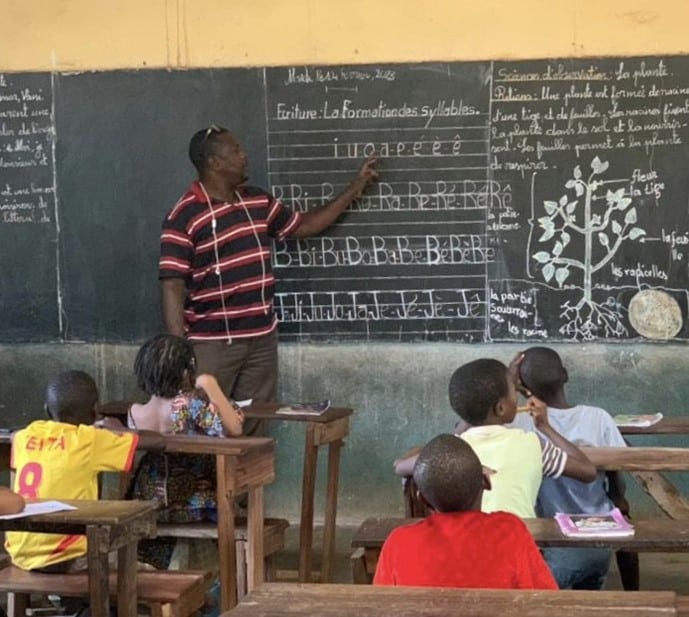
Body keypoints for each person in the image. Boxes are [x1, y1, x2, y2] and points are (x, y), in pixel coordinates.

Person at [159, 126, 378, 433]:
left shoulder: (257, 201)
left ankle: (247, 482)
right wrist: (180, 352)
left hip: (260, 338)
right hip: (211, 344)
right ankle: (209, 483)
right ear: (214, 162)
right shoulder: (185, 215)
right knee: (202, 425)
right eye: (235, 150)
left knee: (254, 423)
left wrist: (355, 188)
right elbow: (172, 284)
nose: (244, 155)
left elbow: (303, 226)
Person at [5, 370, 160, 572]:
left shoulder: (26, 436)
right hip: (66, 555)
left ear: (47, 410)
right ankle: (85, 603)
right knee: (144, 573)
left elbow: (15, 437)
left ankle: (71, 602)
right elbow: (158, 441)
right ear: (95, 410)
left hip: (21, 553)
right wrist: (122, 431)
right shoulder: (88, 439)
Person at [508, 346, 630, 590]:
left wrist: (510, 385)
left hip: (555, 545)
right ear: (565, 375)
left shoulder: (521, 422)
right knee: (587, 596)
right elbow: (618, 472)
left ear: (523, 385)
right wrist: (618, 499)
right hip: (601, 541)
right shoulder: (599, 417)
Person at [374, 433, 557, 589]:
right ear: (486, 483)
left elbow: (380, 606)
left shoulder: (398, 542)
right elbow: (545, 599)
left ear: (422, 499)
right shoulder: (510, 530)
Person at [123, 334, 245, 568]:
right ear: (185, 372)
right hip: (193, 504)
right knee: (239, 510)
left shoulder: (134, 412)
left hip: (148, 502)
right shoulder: (187, 406)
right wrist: (211, 385)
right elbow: (235, 428)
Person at [448, 358, 596, 519]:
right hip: (520, 539)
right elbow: (588, 471)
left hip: (468, 541)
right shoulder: (531, 444)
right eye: (514, 390)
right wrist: (545, 427)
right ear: (501, 408)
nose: (518, 396)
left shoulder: (452, 451)